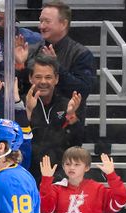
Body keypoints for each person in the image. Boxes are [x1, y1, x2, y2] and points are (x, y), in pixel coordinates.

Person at [25, 54, 83, 183]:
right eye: (38, 77)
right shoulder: (20, 104)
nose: (43, 82)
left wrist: (70, 116)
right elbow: (14, 142)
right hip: (28, 175)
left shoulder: (67, 104)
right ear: (30, 78)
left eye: (48, 77)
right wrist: (28, 111)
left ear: (56, 79)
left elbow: (77, 144)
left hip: (59, 177)